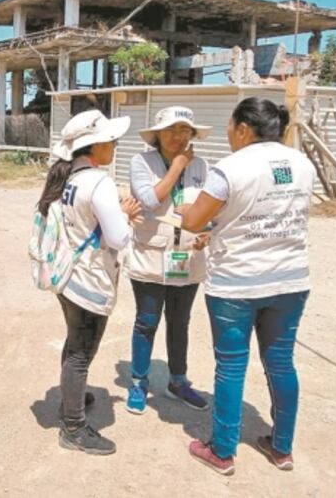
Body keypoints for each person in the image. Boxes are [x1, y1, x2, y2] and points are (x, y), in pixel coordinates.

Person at [179, 98, 315, 476]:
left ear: (242, 129)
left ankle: (222, 451)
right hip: (290, 279)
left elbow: (194, 222)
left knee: (231, 366)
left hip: (236, 284)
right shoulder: (302, 164)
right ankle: (282, 447)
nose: (228, 136)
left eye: (229, 129)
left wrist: (186, 212)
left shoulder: (230, 168)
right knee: (281, 363)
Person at [40, 109, 141, 456]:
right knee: (81, 353)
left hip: (70, 278)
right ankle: (73, 426)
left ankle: (72, 397)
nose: (114, 144)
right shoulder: (99, 182)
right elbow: (117, 238)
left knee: (74, 345)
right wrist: (126, 216)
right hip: (90, 280)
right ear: (95, 146)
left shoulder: (69, 179)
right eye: (110, 140)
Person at [124, 106, 212, 415]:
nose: (179, 136)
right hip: (151, 255)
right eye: (172, 130)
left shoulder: (202, 165)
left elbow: (207, 207)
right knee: (146, 322)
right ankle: (138, 382)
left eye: (185, 130)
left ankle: (178, 380)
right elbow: (149, 200)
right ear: (157, 135)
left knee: (180, 322)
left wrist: (207, 232)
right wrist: (176, 168)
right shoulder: (141, 162)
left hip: (186, 257)